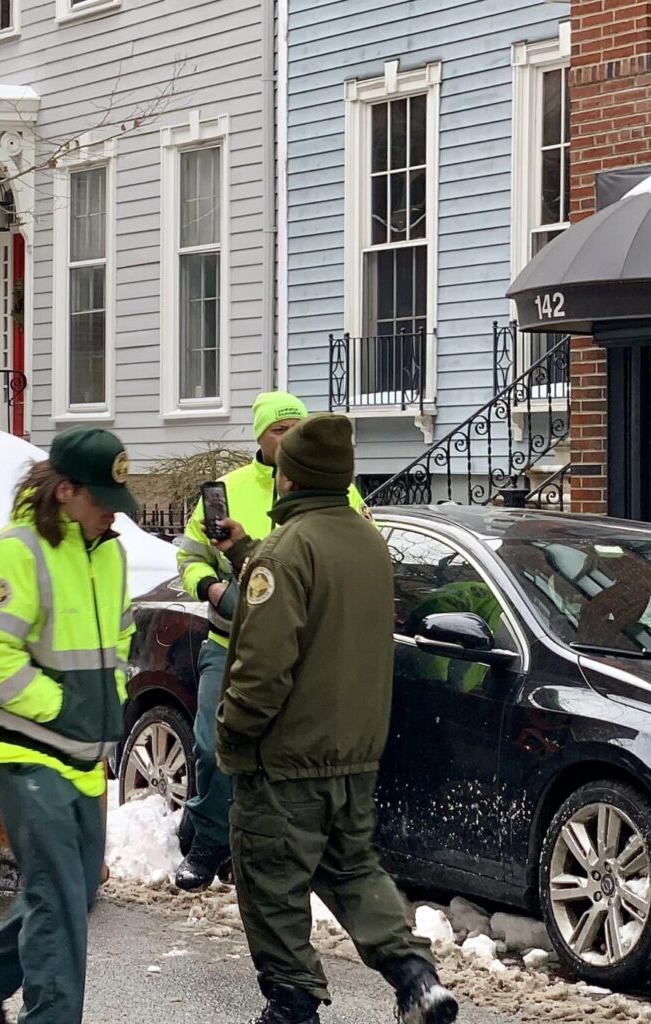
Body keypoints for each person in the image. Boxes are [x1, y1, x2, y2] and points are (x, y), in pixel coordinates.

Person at [210, 413, 457, 1024]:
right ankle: (415, 978)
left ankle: (292, 1004)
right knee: (353, 869)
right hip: (354, 753)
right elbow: (324, 606)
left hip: (286, 760)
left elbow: (264, 669)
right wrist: (247, 552)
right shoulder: (368, 542)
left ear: (288, 480)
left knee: (271, 885)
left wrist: (233, 733)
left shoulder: (287, 550)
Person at [0, 427, 139, 1024]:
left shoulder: (109, 553)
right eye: (102, 502)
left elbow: (119, 638)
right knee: (60, 897)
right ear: (66, 491)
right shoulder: (16, 552)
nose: (111, 516)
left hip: (80, 753)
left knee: (77, 889)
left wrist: (107, 698)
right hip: (22, 753)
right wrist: (62, 705)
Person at [172, 392, 365, 891]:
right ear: (259, 435)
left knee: (276, 757)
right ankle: (208, 842)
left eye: (297, 428)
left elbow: (357, 550)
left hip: (302, 649)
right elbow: (191, 554)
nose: (289, 438)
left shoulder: (338, 492)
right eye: (280, 430)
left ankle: (242, 844)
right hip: (229, 640)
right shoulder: (231, 490)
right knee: (215, 748)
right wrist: (212, 587)